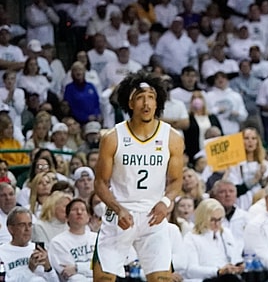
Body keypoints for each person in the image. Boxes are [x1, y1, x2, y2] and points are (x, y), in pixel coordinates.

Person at [93, 71, 185, 282]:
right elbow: (99, 183)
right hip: (120, 216)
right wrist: (118, 208)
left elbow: (176, 180)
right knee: (103, 280)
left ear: (157, 102)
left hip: (153, 217)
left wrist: (165, 201)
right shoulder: (113, 138)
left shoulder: (172, 138)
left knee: (162, 279)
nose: (146, 103)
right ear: (130, 102)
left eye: (151, 97)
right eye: (140, 97)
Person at [0, 207, 57, 282]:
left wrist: (48, 267)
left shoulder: (39, 250)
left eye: (30, 225)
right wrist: (29, 270)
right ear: (11, 229)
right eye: (22, 225)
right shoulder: (2, 252)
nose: (27, 229)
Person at [48, 198, 97, 282]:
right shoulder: (58, 243)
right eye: (75, 210)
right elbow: (68, 274)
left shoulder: (97, 239)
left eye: (83, 210)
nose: (79, 212)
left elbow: (104, 267)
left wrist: (77, 268)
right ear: (67, 217)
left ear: (88, 217)